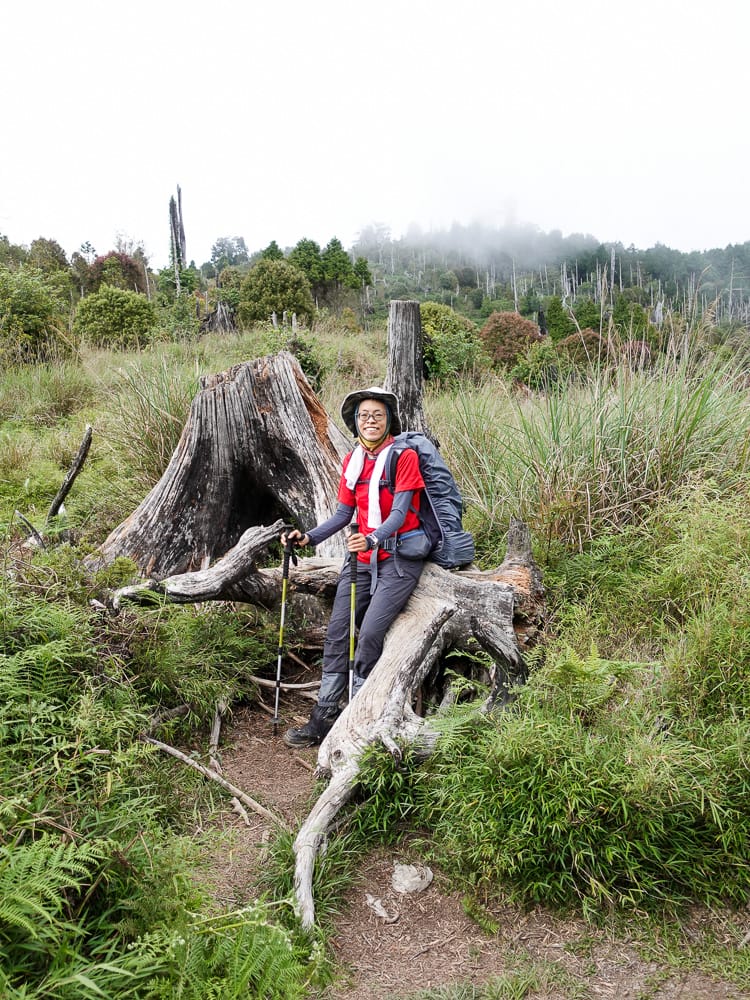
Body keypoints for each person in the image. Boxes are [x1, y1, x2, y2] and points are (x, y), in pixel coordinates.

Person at [281, 386, 426, 747]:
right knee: (337, 634)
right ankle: (324, 715)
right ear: (355, 422)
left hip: (399, 559)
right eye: (364, 415)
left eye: (378, 415)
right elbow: (344, 515)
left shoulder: (404, 457)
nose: (370, 420)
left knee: (371, 635)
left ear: (389, 420)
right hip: (360, 561)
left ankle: (360, 716)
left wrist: (373, 539)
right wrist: (308, 537)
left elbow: (399, 514)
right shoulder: (353, 460)